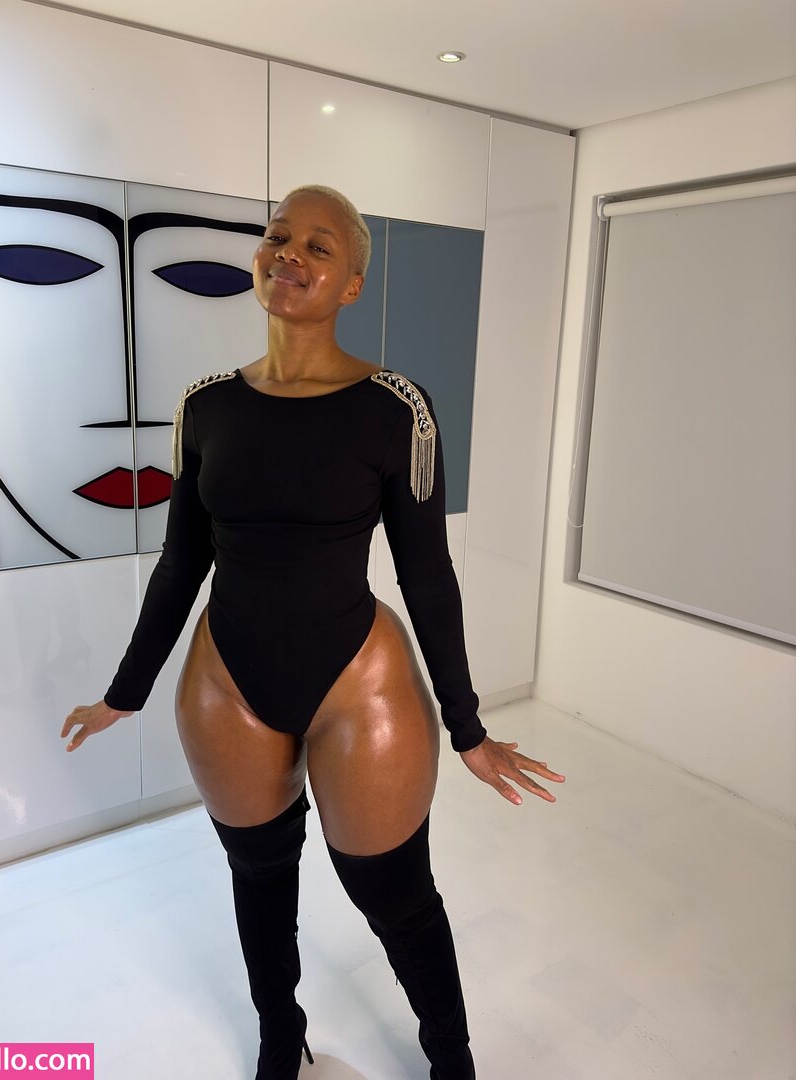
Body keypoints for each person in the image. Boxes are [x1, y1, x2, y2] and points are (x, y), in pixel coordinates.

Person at [61, 184, 565, 1079]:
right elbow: (181, 563)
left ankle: (450, 1057)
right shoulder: (206, 407)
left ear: (352, 285)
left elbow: (427, 574)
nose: (289, 252)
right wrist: (123, 693)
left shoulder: (395, 408)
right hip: (227, 680)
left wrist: (468, 728)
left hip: (355, 680)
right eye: (278, 236)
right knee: (259, 874)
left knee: (392, 891)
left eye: (318, 246)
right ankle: (277, 1034)